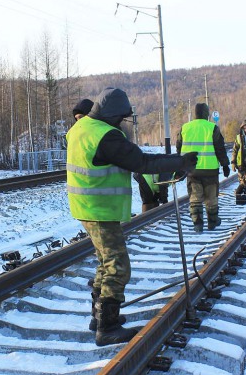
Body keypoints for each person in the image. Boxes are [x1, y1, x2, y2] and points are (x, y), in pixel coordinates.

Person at [66, 87, 198, 346]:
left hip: (86, 205)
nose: (122, 123)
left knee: (105, 263)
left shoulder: (80, 129)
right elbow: (142, 163)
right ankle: (108, 327)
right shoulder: (106, 136)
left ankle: (98, 316)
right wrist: (180, 162)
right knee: (118, 267)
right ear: (114, 114)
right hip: (100, 208)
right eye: (122, 117)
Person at [176, 103, 231, 232]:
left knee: (195, 198)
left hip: (192, 170)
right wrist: (225, 165)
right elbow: (220, 149)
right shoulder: (212, 128)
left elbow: (179, 149)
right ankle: (212, 222)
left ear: (195, 113)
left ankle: (198, 224)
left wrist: (179, 167)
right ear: (206, 114)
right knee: (211, 198)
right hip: (210, 170)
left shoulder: (185, 128)